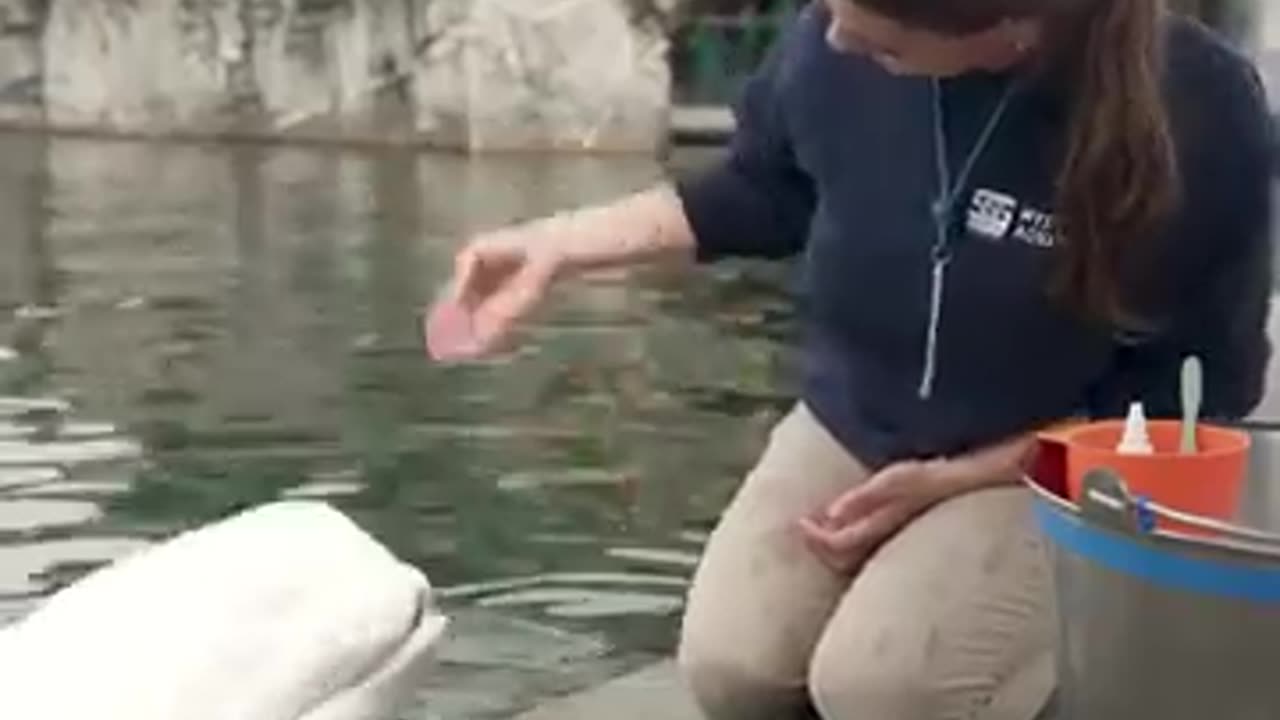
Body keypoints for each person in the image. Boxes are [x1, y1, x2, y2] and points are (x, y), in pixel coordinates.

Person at [424, 0, 1275, 717]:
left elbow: (1199, 394)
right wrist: (552, 248)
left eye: (878, 41)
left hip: (1052, 460)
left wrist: (961, 479)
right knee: (735, 669)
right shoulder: (830, 42)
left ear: (1008, 33)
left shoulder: (1199, 113)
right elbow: (761, 188)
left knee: (885, 687)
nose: (836, 40)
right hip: (858, 419)